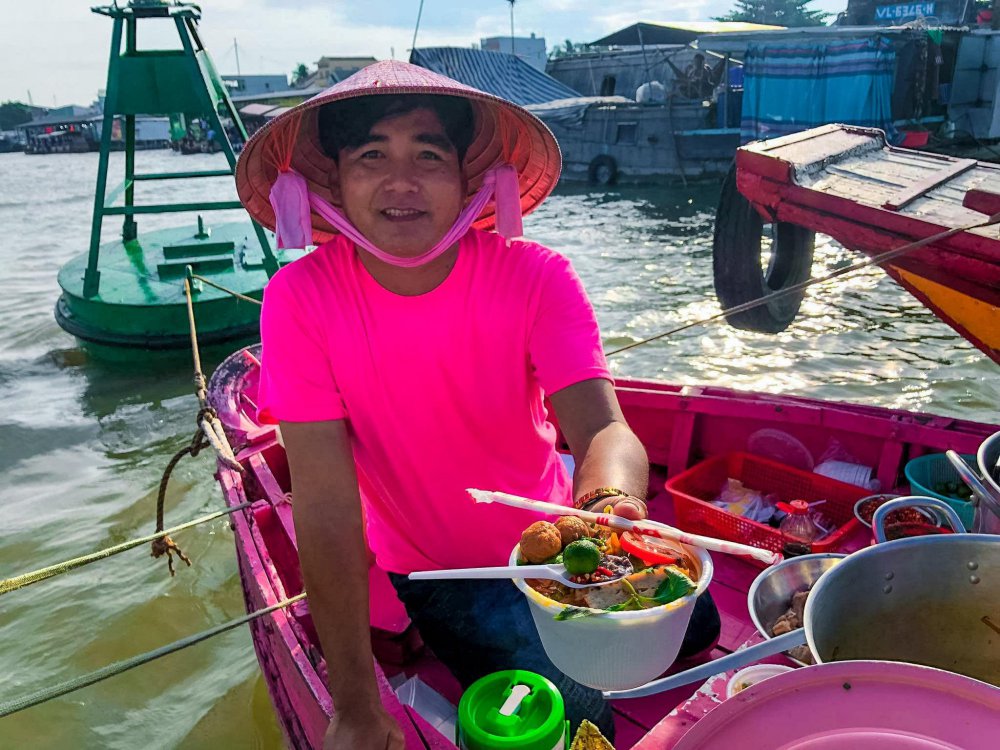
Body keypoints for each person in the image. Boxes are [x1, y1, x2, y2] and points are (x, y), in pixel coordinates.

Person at [235, 60, 719, 750]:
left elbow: (603, 426)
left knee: (693, 620)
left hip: (557, 543)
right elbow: (324, 502)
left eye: (428, 155)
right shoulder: (300, 300)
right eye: (372, 155)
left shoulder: (537, 276)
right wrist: (355, 702)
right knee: (584, 719)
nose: (401, 181)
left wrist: (610, 504)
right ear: (333, 180)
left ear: (468, 178)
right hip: (445, 571)